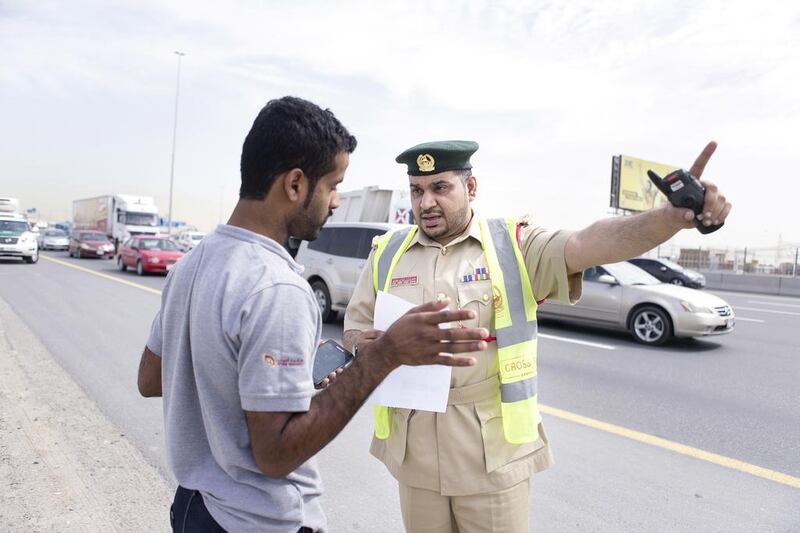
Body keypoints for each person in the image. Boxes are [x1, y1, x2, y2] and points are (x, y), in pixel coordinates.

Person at [136, 100, 490, 533]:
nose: (337, 201)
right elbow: (276, 455)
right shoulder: (278, 288)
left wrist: (284, 382)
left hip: (195, 509)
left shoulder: (191, 264)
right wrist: (384, 356)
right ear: (295, 184)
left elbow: (151, 378)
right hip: (257, 521)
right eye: (333, 185)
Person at [343, 139, 731, 532]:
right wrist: (363, 344)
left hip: (491, 458)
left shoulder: (513, 244)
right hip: (416, 457)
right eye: (417, 190)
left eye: (440, 188)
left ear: (471, 188)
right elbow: (355, 328)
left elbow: (588, 243)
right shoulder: (388, 252)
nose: (426, 202)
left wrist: (667, 218)